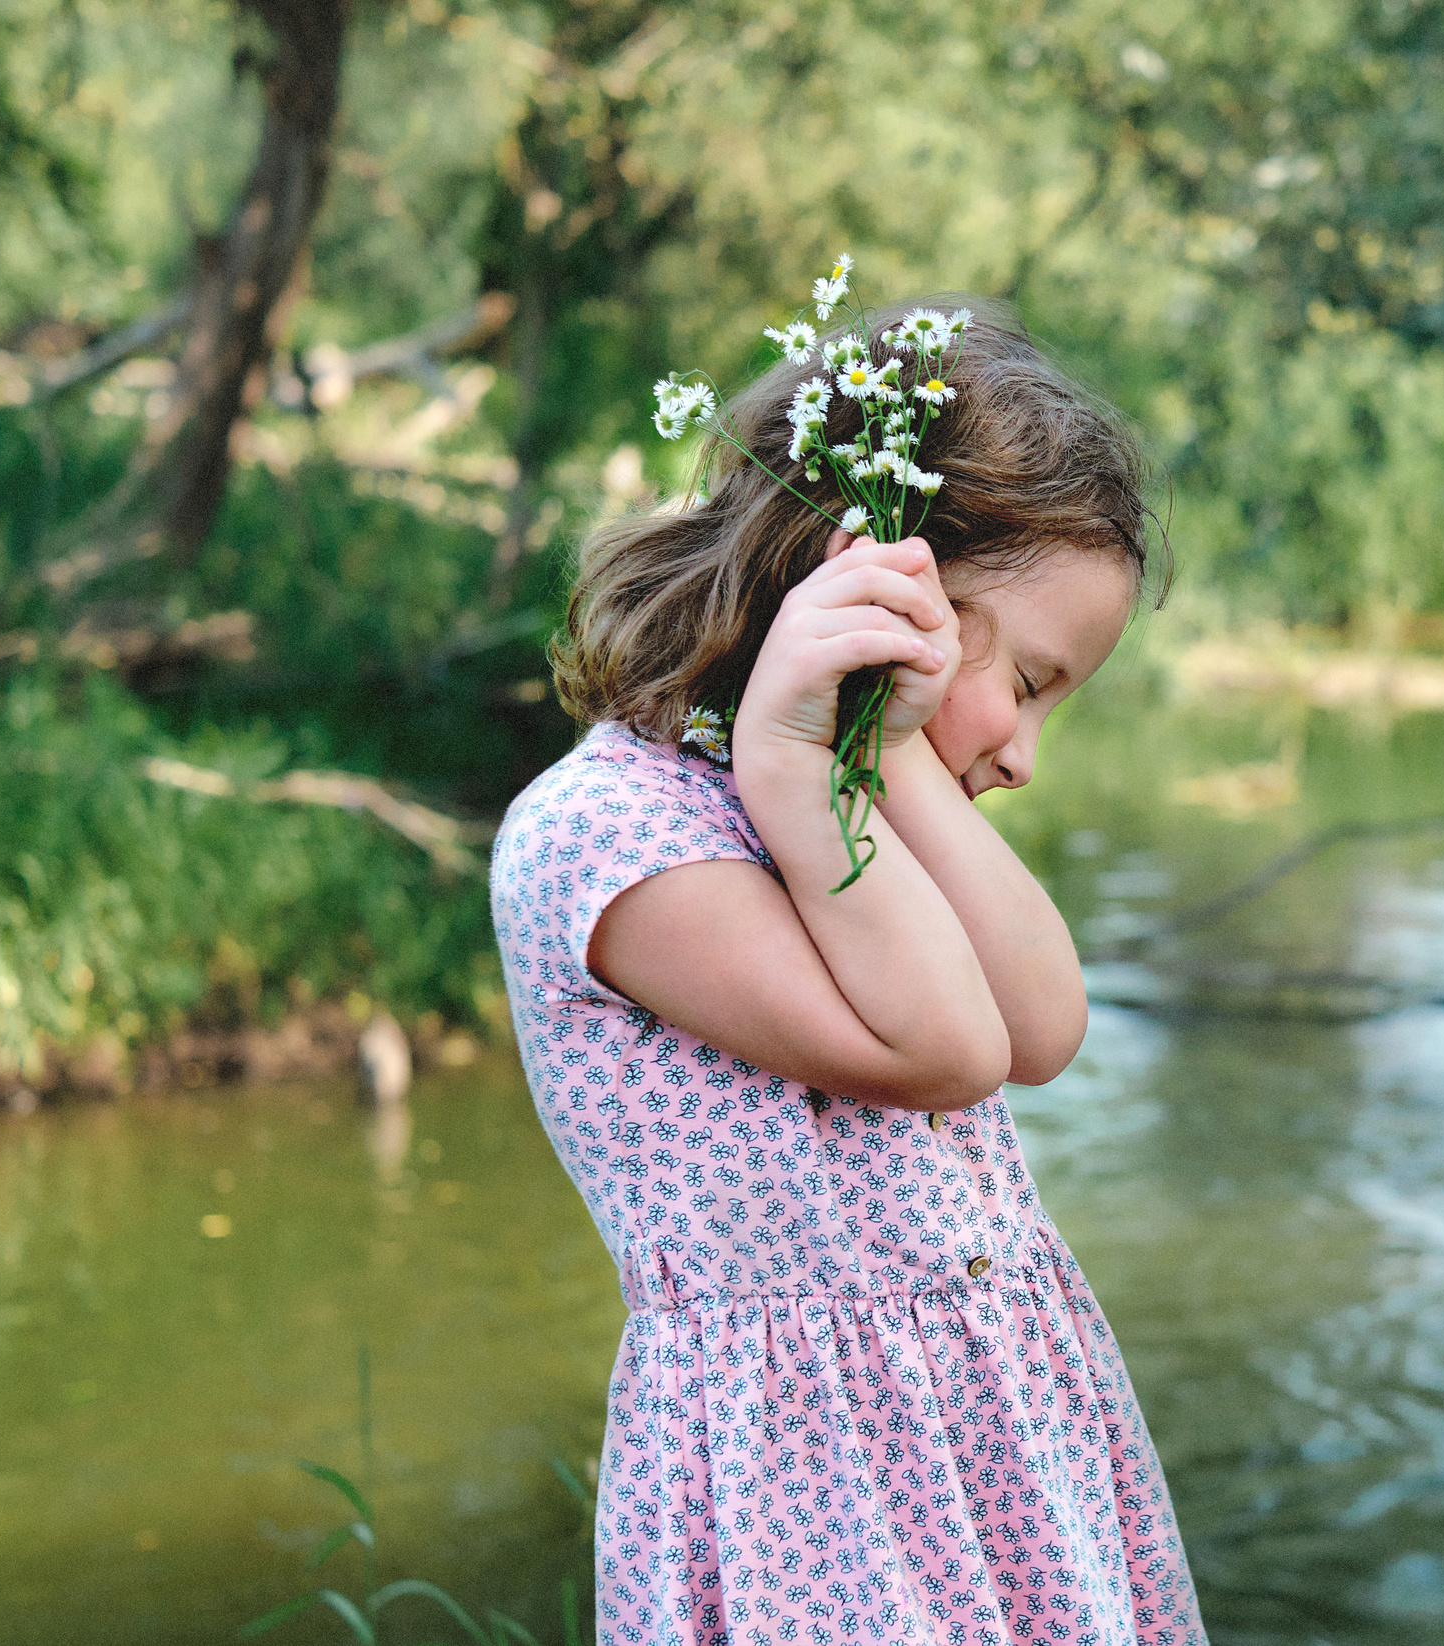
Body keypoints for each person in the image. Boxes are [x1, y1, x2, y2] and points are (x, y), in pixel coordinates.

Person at [489, 297, 1207, 1646]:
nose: (1027, 755)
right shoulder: (614, 839)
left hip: (989, 1424)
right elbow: (946, 1051)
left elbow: (1042, 1025)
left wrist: (870, 760)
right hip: (812, 1481)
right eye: (1036, 681)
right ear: (878, 584)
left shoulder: (861, 798)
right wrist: (792, 765)